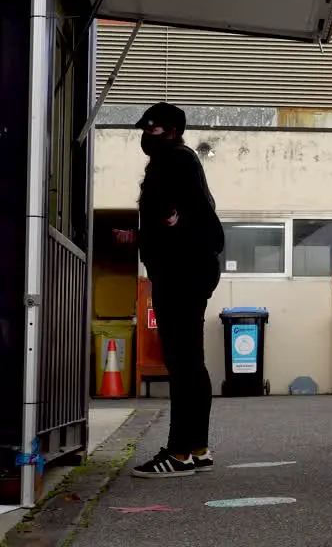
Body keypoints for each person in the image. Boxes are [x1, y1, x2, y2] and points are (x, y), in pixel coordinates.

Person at [117, 102, 224, 478]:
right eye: (144, 129)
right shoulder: (182, 159)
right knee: (190, 361)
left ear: (173, 131)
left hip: (180, 272)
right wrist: (146, 234)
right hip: (190, 270)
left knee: (181, 362)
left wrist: (166, 226)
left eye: (154, 130)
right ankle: (196, 447)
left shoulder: (173, 161)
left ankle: (179, 452)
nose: (147, 136)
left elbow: (184, 213)